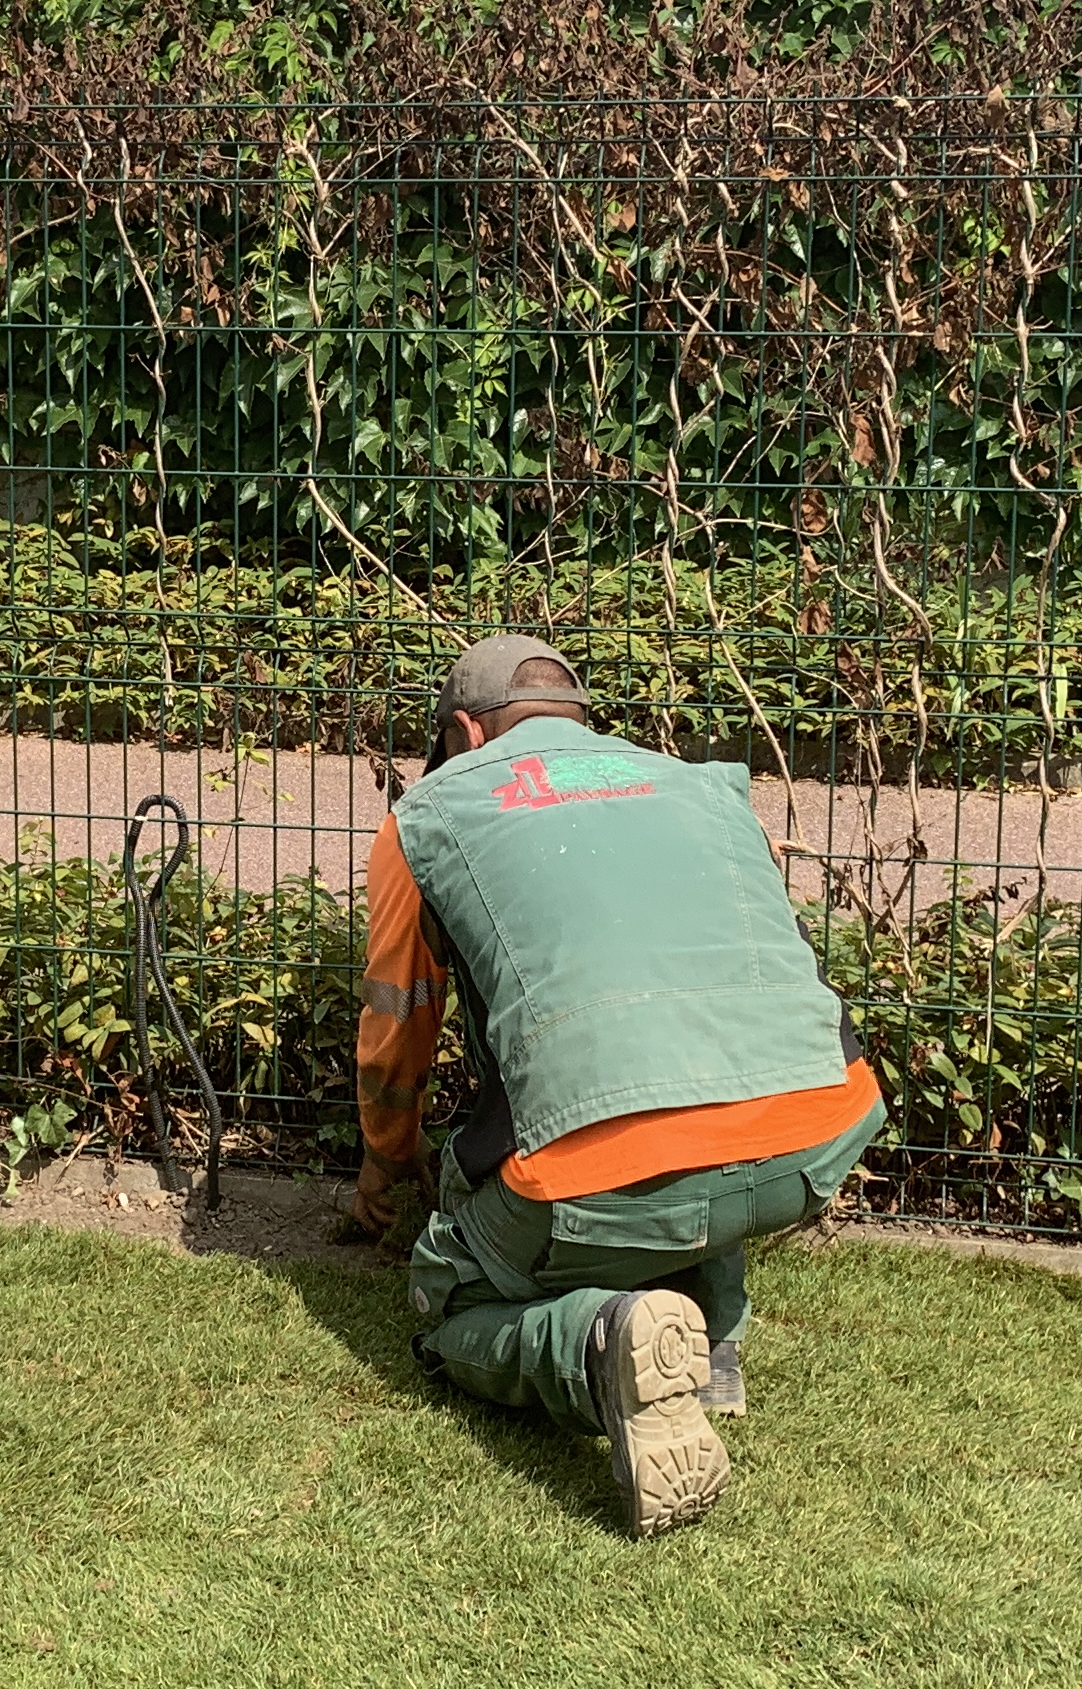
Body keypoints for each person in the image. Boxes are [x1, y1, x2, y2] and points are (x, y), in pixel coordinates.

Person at [353, 635, 886, 1536]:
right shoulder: (702, 787)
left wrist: (384, 1167)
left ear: (462, 732)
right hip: (820, 1128)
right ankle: (711, 1342)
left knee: (450, 1299)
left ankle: (604, 1343)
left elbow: (397, 1024)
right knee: (684, 1075)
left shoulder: (430, 814)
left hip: (594, 1173)